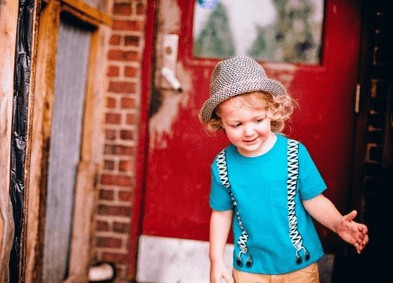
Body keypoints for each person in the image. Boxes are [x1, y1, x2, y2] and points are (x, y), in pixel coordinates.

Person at [199, 56, 369, 283]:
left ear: (271, 111)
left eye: (257, 120)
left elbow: (314, 200)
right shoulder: (223, 165)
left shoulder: (293, 154)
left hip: (298, 268)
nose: (249, 131)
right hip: (250, 269)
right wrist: (216, 260)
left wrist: (338, 224)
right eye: (237, 124)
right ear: (221, 122)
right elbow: (221, 214)